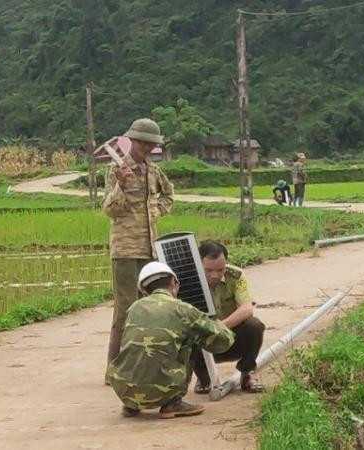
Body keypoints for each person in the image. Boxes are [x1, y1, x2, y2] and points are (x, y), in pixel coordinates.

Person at [107, 261, 234, 419]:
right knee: (190, 338)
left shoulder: (134, 308)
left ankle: (132, 405)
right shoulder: (182, 309)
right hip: (162, 390)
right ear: (173, 283)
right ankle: (173, 403)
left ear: (144, 289)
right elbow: (223, 342)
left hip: (123, 389)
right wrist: (220, 326)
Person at [103, 118, 174, 383]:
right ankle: (114, 369)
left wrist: (156, 212)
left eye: (150, 143)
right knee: (125, 309)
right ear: (131, 141)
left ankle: (143, 364)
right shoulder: (116, 170)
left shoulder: (154, 171)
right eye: (142, 142)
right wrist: (121, 185)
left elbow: (168, 195)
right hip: (125, 249)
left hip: (149, 249)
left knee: (149, 307)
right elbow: (110, 210)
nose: (146, 147)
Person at [192, 240, 266, 394]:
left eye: (220, 270)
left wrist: (220, 326)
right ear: (198, 265)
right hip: (202, 343)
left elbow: (247, 308)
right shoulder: (188, 281)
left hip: (230, 338)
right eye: (208, 270)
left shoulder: (236, 276)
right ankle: (203, 377)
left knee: (254, 325)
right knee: (185, 335)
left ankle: (246, 374)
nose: (215, 275)